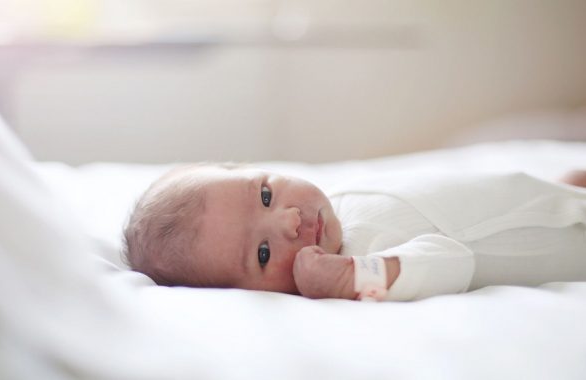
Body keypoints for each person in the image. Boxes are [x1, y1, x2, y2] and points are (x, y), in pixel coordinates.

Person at [123, 164, 586, 301]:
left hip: (538, 197)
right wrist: (358, 278)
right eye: (263, 254)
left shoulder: (333, 208)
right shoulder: (358, 261)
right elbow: (450, 261)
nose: (289, 221)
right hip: (565, 237)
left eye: (265, 196)